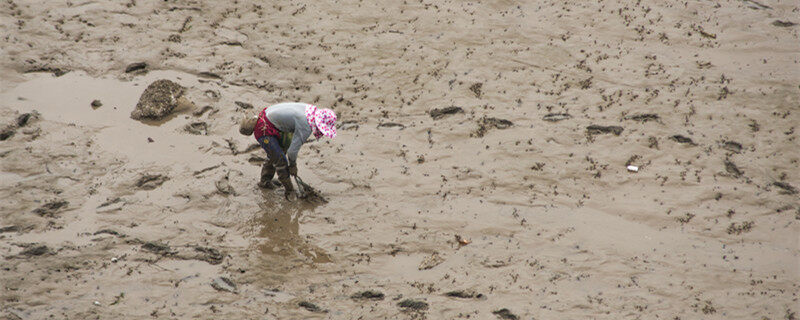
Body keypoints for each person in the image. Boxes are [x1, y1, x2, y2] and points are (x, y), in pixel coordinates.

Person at [239, 102, 336, 199]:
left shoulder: (310, 111)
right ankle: (289, 190)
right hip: (264, 129)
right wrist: (293, 165)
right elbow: (292, 151)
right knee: (280, 160)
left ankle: (265, 181)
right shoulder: (306, 126)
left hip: (268, 117)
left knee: (276, 153)